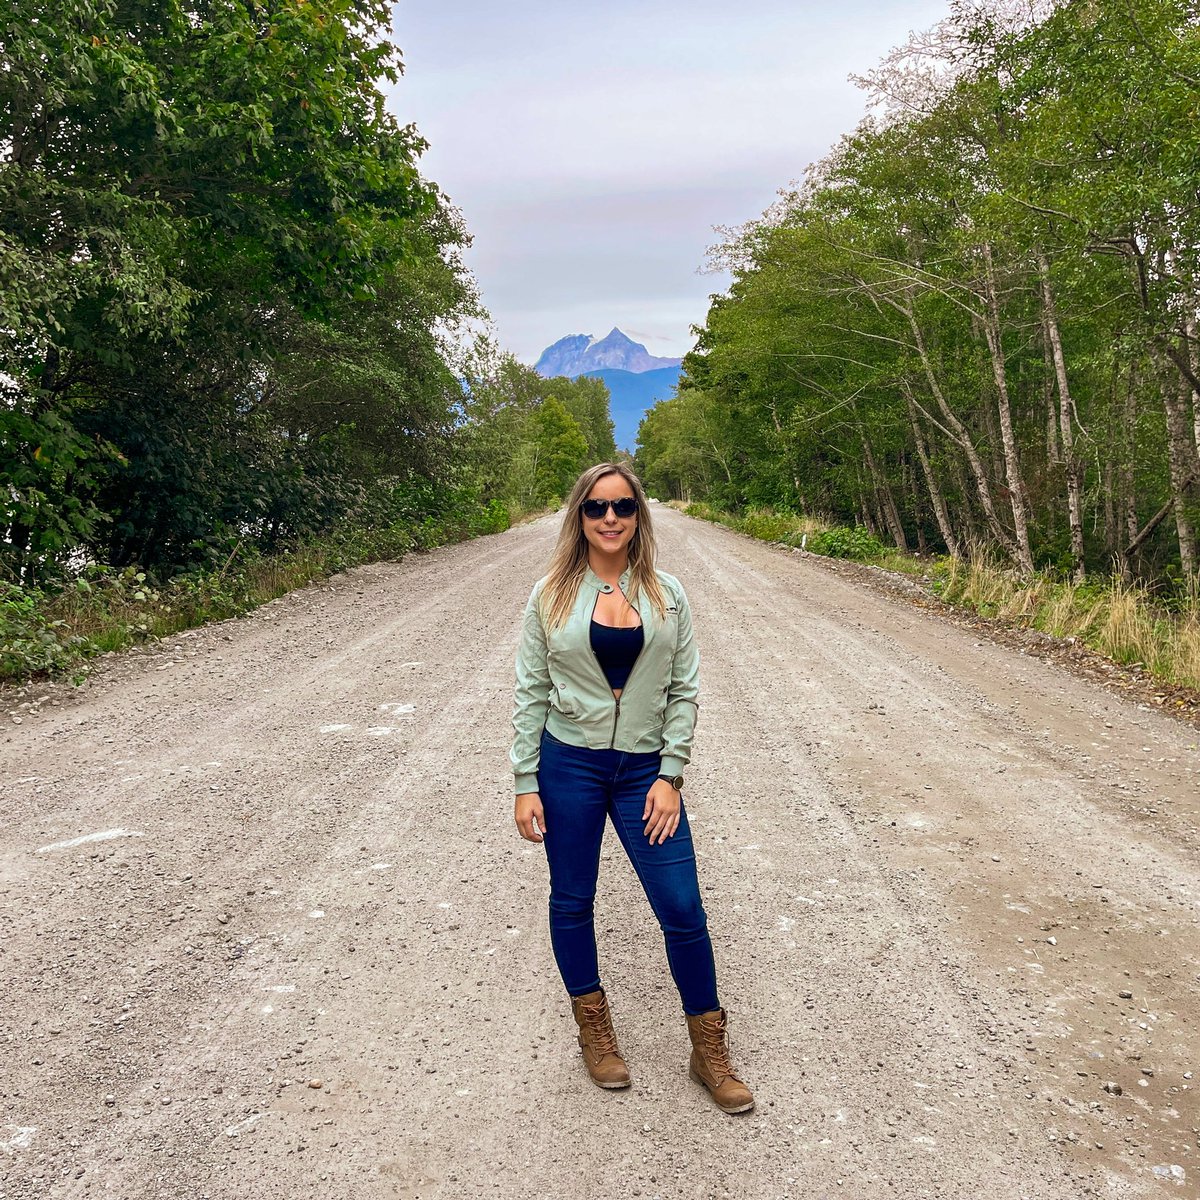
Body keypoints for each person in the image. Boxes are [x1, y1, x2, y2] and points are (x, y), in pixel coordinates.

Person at [509, 461, 754, 1114]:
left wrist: (671, 774)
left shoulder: (668, 593)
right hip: (570, 768)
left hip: (645, 770)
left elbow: (685, 689)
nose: (610, 518)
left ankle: (708, 1049)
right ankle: (596, 1029)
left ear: (639, 515)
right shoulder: (551, 595)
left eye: (622, 506)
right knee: (572, 899)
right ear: (579, 517)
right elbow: (531, 692)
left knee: (682, 908)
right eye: (596, 507)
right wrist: (524, 780)